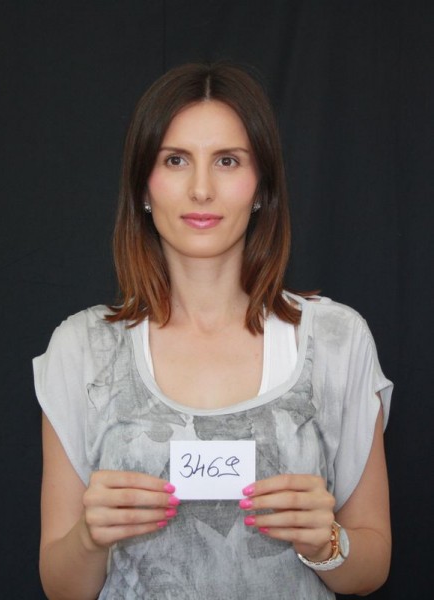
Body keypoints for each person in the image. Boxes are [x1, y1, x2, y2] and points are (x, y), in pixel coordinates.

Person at [33, 62, 392, 600]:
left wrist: (329, 542)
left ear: (261, 186)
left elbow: (373, 566)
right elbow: (62, 586)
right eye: (175, 160)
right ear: (143, 185)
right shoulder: (81, 350)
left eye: (227, 161)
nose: (201, 189)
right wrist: (89, 537)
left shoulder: (338, 340)